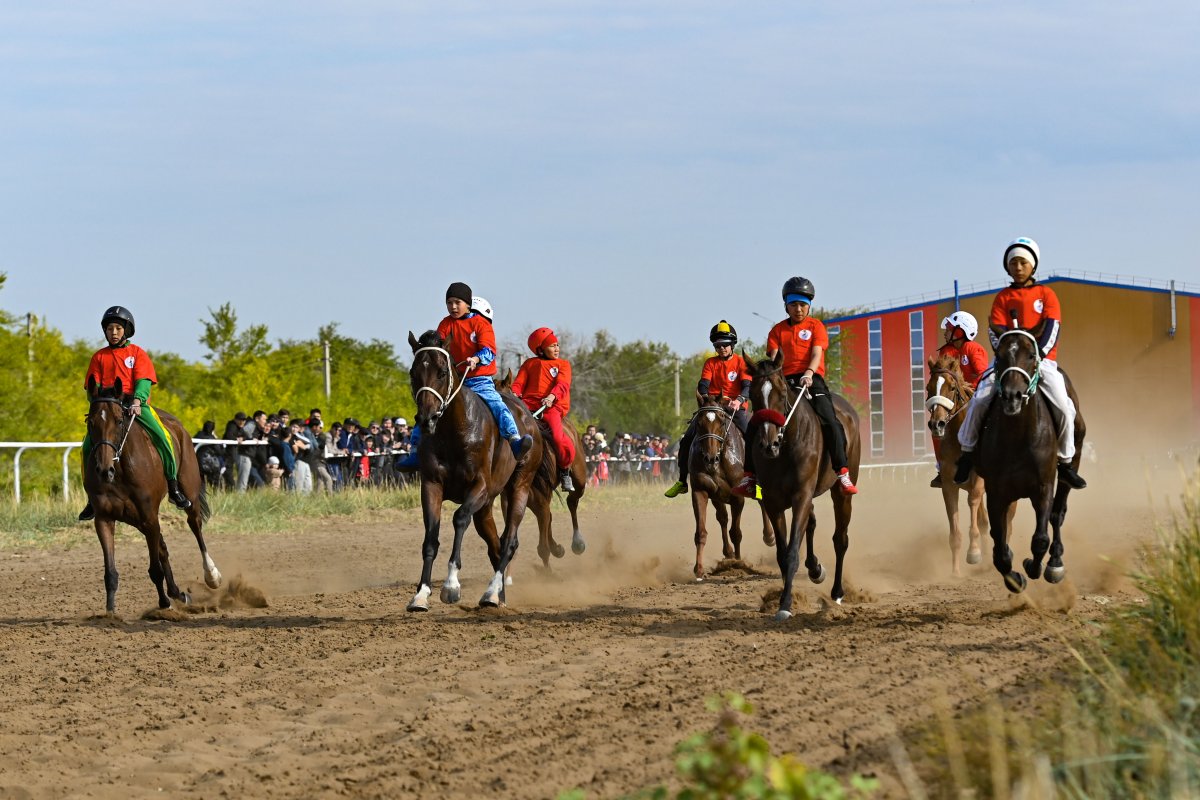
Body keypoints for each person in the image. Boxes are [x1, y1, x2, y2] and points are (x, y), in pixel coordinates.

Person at [953, 237, 1087, 489]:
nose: (1018, 266)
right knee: (979, 399)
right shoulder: (1003, 297)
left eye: (1023, 262)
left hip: (1042, 362)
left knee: (1065, 406)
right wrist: (1008, 357)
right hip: (1007, 363)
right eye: (1013, 262)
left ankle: (1066, 463)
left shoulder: (1047, 295)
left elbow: (1052, 328)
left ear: (1033, 266)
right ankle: (967, 454)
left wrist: (1036, 357)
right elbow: (995, 332)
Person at [733, 277, 858, 498]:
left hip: (811, 379)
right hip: (783, 380)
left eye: (802, 304)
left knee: (830, 420)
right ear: (786, 306)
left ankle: (841, 471)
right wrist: (773, 377)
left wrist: (809, 373)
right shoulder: (777, 331)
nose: (798, 309)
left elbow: (817, 353)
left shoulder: (816, 326)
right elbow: (773, 358)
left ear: (809, 305)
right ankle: (750, 476)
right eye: (793, 305)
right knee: (756, 422)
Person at [78, 306, 192, 521]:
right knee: (86, 447)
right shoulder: (99, 357)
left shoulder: (137, 353)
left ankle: (174, 486)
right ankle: (91, 498)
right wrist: (98, 405)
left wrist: (138, 400)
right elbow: (92, 387)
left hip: (135, 406)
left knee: (163, 437)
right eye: (110, 328)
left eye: (118, 328)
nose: (113, 332)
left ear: (126, 330)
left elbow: (144, 381)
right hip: (108, 407)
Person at [436, 282, 533, 458]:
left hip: (479, 380)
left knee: (498, 405)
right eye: (449, 302)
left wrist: (476, 359)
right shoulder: (445, 324)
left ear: (468, 304)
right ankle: (416, 450)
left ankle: (514, 440)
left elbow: (489, 350)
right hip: (454, 380)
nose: (453, 306)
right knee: (429, 406)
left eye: (457, 302)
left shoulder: (480, 324)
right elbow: (438, 346)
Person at [665, 320, 752, 498]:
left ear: (732, 345)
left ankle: (756, 480)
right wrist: (706, 400)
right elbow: (703, 385)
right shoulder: (710, 363)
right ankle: (682, 481)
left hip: (736, 409)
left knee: (752, 438)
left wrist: (739, 400)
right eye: (718, 345)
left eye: (725, 345)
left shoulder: (741, 362)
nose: (721, 348)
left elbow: (747, 386)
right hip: (713, 407)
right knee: (687, 438)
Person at [928, 311, 988, 488]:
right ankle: (941, 467)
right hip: (953, 398)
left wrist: (968, 390)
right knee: (935, 423)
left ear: (961, 331)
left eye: (949, 328)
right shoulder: (947, 351)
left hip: (975, 395)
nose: (945, 332)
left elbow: (981, 375)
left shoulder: (973, 349)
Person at [513, 327, 576, 491]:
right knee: (510, 426)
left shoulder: (563, 365)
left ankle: (564, 471)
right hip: (528, 404)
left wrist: (551, 397)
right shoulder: (530, 363)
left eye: (557, 345)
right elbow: (519, 383)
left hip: (550, 406)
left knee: (556, 436)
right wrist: (514, 393)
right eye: (552, 346)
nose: (557, 349)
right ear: (541, 349)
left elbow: (562, 384)